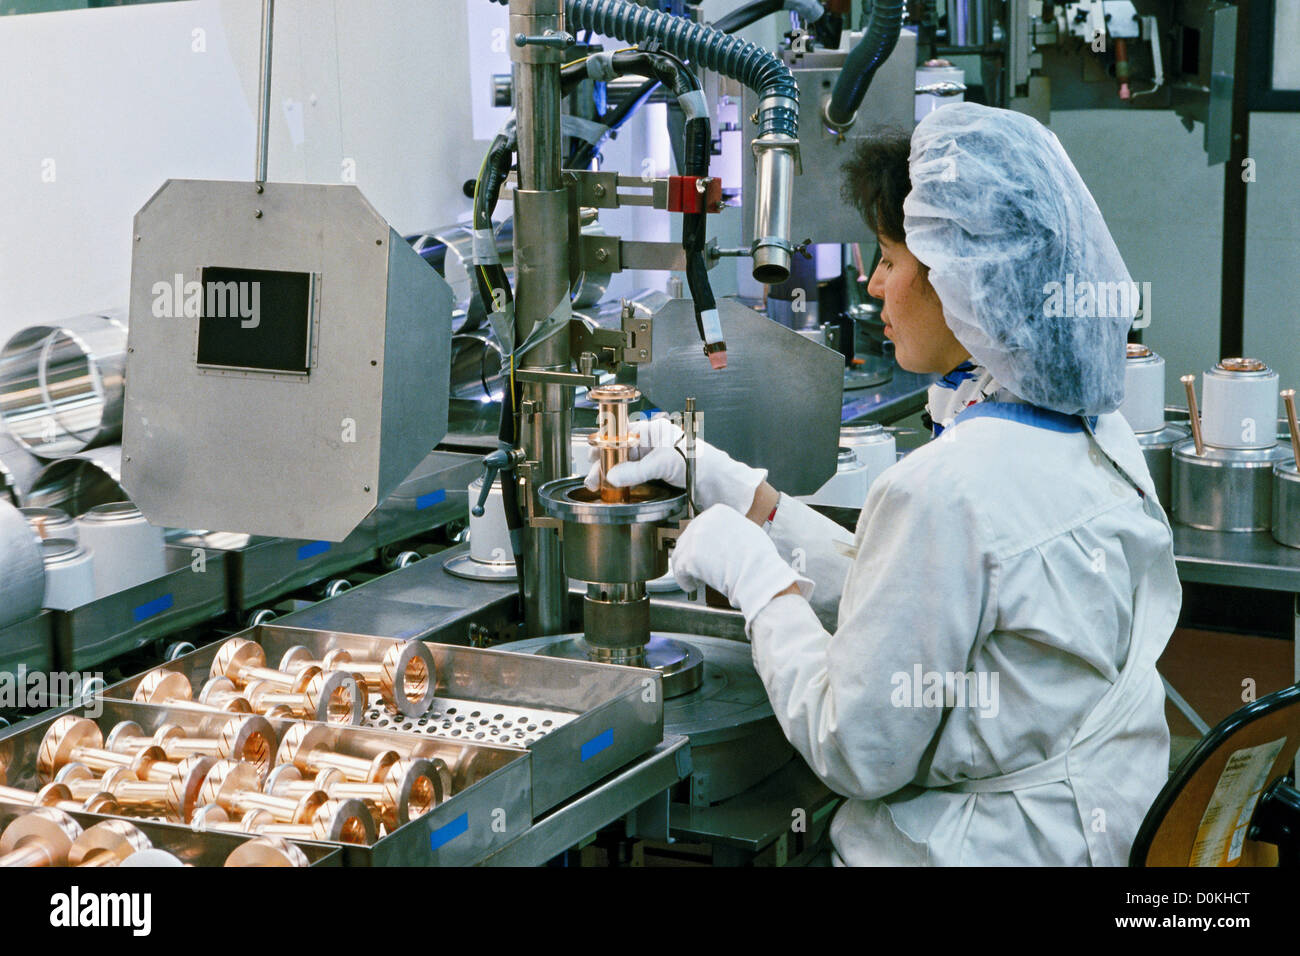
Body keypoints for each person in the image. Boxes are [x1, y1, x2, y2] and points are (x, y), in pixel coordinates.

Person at [586, 102, 1182, 866]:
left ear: (960, 279)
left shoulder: (951, 487)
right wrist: (736, 490)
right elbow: (911, 598)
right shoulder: (1095, 431)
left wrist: (756, 582)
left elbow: (854, 746)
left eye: (889, 260)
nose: (870, 287)